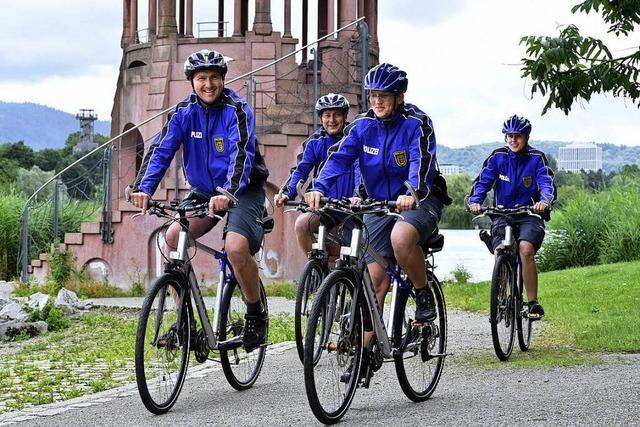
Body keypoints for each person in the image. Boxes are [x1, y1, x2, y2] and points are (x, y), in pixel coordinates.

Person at [304, 63, 452, 380]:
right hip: (377, 203)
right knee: (374, 280)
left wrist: (411, 192)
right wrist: (318, 187)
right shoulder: (362, 126)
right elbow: (339, 158)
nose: (378, 102)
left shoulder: (417, 123)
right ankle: (364, 352)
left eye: (384, 96)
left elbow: (420, 164)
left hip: (420, 199)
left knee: (401, 240)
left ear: (399, 97)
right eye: (373, 95)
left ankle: (423, 293)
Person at [128, 49, 270, 352]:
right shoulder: (182, 112)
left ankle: (255, 312)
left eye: (215, 78)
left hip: (242, 189)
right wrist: (143, 188)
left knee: (235, 247)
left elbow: (241, 155)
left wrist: (227, 193)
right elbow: (161, 151)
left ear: (223, 79)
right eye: (201, 78)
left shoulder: (237, 110)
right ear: (192, 81)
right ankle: (185, 323)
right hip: (204, 192)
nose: (208, 84)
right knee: (174, 236)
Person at [467, 114, 557, 318]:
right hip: (502, 214)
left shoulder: (536, 159)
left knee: (526, 250)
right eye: (509, 136)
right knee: (500, 251)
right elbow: (483, 183)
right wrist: (475, 201)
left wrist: (544, 202)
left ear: (526, 137)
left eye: (518, 136)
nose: (513, 140)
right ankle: (499, 300)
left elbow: (545, 183)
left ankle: (533, 303)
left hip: (529, 214)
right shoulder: (497, 157)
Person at [274, 93, 358, 256]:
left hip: (352, 207)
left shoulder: (354, 140)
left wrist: (357, 195)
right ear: (321, 118)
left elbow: (360, 171)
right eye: (327, 115)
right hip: (325, 205)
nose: (331, 120)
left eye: (337, 115)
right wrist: (286, 193)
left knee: (349, 256)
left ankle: (341, 274)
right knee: (302, 225)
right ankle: (317, 267)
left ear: (345, 116)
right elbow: (300, 170)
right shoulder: (314, 143)